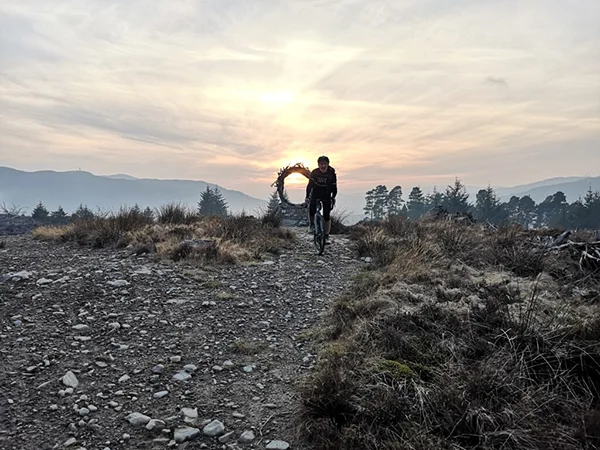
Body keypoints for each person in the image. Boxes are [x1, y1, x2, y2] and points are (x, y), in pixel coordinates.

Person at [305, 155, 337, 243]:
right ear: (318, 164)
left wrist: (333, 197)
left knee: (327, 215)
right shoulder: (315, 172)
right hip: (316, 193)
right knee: (311, 210)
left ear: (328, 164)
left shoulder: (331, 173)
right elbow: (309, 185)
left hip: (326, 194)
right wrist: (307, 196)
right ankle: (311, 225)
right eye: (321, 164)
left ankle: (326, 235)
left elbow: (334, 187)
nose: (323, 166)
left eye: (325, 164)